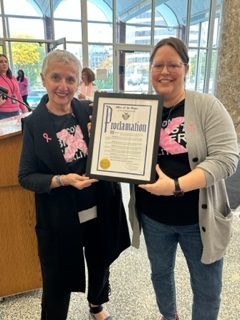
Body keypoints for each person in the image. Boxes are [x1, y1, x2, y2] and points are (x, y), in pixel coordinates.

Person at [128, 37, 239, 320]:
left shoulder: (207, 106)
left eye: (173, 65)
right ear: (150, 69)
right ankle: (169, 316)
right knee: (160, 274)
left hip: (198, 220)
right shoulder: (141, 109)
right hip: (154, 218)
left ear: (186, 68)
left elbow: (227, 159)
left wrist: (176, 186)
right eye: (158, 65)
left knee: (206, 287)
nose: (164, 71)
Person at [18, 50, 130, 320]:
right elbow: (26, 176)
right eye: (56, 77)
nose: (63, 86)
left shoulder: (89, 110)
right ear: (44, 78)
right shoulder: (34, 124)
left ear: (79, 81)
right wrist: (61, 180)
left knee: (100, 260)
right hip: (61, 215)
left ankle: (97, 303)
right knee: (58, 275)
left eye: (70, 79)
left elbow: (120, 140)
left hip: (99, 205)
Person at [0, 54, 28, 119]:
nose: (4, 64)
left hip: (16, 111)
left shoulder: (13, 78)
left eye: (6, 61)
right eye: (1, 62)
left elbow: (18, 95)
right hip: (2, 113)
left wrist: (24, 108)